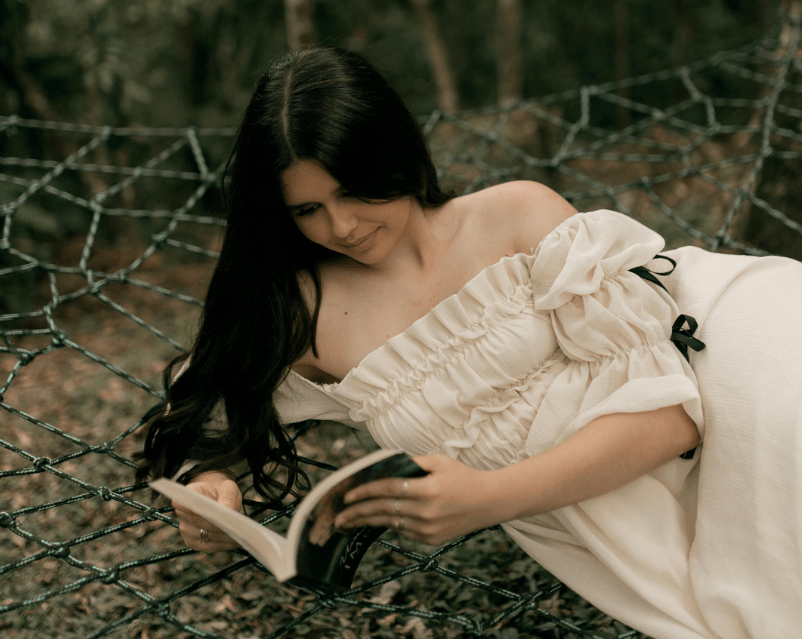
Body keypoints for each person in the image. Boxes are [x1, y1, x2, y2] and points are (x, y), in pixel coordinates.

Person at [136, 46, 802, 639]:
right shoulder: (305, 311)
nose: (340, 225)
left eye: (354, 190)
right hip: (625, 506)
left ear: (394, 153)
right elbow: (204, 399)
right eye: (306, 209)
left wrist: (489, 497)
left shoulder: (516, 214)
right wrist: (208, 482)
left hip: (737, 359)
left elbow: (670, 414)